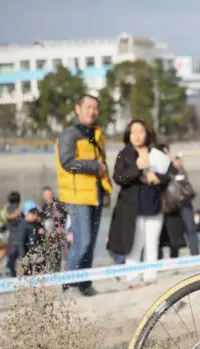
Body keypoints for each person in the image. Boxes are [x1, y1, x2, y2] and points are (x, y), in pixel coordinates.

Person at [56, 94, 113, 297]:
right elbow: (67, 161)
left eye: (95, 108)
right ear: (78, 109)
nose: (92, 111)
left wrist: (106, 191)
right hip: (78, 195)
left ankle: (84, 283)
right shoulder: (70, 134)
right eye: (88, 107)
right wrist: (93, 166)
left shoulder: (97, 133)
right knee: (82, 242)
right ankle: (67, 285)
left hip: (95, 194)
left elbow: (103, 164)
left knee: (90, 244)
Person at [107, 120, 170, 288]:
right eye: (133, 132)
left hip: (154, 205)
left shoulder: (156, 152)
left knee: (152, 244)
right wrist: (137, 167)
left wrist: (156, 178)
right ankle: (133, 279)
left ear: (147, 133)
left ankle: (150, 277)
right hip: (132, 208)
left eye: (141, 131)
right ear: (128, 134)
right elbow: (118, 178)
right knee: (135, 245)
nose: (137, 135)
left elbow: (168, 174)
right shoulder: (125, 153)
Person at [156, 144, 200, 257]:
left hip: (184, 200)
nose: (167, 154)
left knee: (191, 228)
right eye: (164, 152)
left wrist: (179, 168)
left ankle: (195, 254)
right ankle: (172, 257)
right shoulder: (158, 166)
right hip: (169, 204)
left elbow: (185, 183)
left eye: (167, 152)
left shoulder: (177, 166)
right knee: (172, 232)